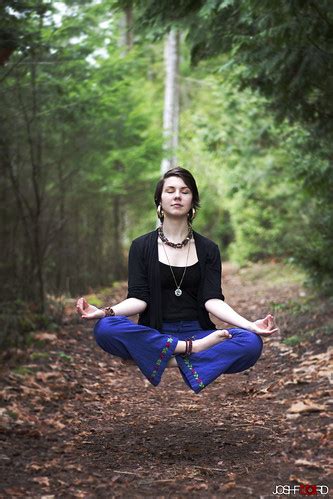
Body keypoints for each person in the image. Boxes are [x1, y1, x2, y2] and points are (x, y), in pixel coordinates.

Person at [76, 167, 279, 393]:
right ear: (159, 201)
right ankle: (187, 349)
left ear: (193, 202)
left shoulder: (208, 249)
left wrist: (251, 325)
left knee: (251, 343)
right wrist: (104, 312)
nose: (177, 196)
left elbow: (212, 300)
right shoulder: (141, 247)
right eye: (170, 191)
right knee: (104, 328)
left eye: (185, 191)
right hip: (154, 333)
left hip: (197, 331)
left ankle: (161, 357)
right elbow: (139, 299)